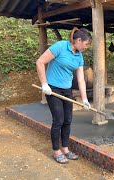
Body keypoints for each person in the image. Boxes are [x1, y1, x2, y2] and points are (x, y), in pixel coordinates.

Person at [36, 27, 92, 164]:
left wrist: (84, 99)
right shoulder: (60, 46)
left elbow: (80, 80)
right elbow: (40, 62)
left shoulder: (79, 55)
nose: (86, 47)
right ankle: (56, 151)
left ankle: (65, 149)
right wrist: (44, 84)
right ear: (79, 40)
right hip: (53, 89)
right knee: (59, 120)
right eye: (86, 44)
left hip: (67, 90)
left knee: (68, 120)